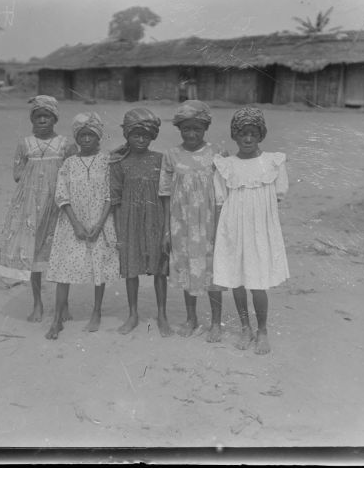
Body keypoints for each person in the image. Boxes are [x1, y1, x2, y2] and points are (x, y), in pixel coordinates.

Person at [213, 106, 290, 355]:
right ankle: (245, 326)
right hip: (233, 228)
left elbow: (276, 197)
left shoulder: (273, 162)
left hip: (259, 230)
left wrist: (259, 225)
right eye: (242, 133)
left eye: (253, 133)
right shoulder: (226, 165)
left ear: (261, 135)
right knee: (236, 280)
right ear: (234, 135)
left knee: (258, 283)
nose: (247, 138)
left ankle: (262, 330)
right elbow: (221, 199)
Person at [0, 95, 76, 322]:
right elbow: (17, 173)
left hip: (59, 206)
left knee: (61, 254)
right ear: (32, 119)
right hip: (31, 209)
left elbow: (74, 171)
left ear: (54, 119)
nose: (42, 120)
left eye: (46, 116)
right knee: (35, 255)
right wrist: (36, 179)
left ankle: (63, 305)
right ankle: (37, 303)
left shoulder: (66, 144)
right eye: (38, 116)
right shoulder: (25, 143)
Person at [45, 112, 119, 340]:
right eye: (82, 135)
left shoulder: (107, 161)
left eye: (91, 135)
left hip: (100, 221)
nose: (86, 139)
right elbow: (62, 195)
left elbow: (110, 196)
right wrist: (76, 224)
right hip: (71, 223)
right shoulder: (69, 163)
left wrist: (99, 224)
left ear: (98, 137)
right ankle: (57, 317)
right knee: (63, 268)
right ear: (76, 138)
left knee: (98, 266)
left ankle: (96, 312)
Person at [158, 100, 228, 342]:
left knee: (212, 271)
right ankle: (191, 318)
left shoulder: (216, 153)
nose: (191, 134)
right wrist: (167, 229)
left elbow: (224, 192)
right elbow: (165, 194)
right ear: (179, 129)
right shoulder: (172, 155)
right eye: (186, 129)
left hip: (210, 222)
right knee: (188, 269)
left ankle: (216, 322)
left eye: (197, 129)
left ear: (205, 128)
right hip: (182, 222)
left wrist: (222, 226)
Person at [110, 108, 172, 337]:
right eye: (135, 134)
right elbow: (115, 201)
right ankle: (133, 314)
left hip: (155, 220)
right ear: (127, 134)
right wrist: (118, 234)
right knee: (131, 270)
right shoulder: (118, 162)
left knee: (160, 269)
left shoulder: (160, 160)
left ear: (153, 136)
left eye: (145, 135)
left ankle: (162, 314)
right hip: (129, 221)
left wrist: (166, 229)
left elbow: (166, 197)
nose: (140, 139)